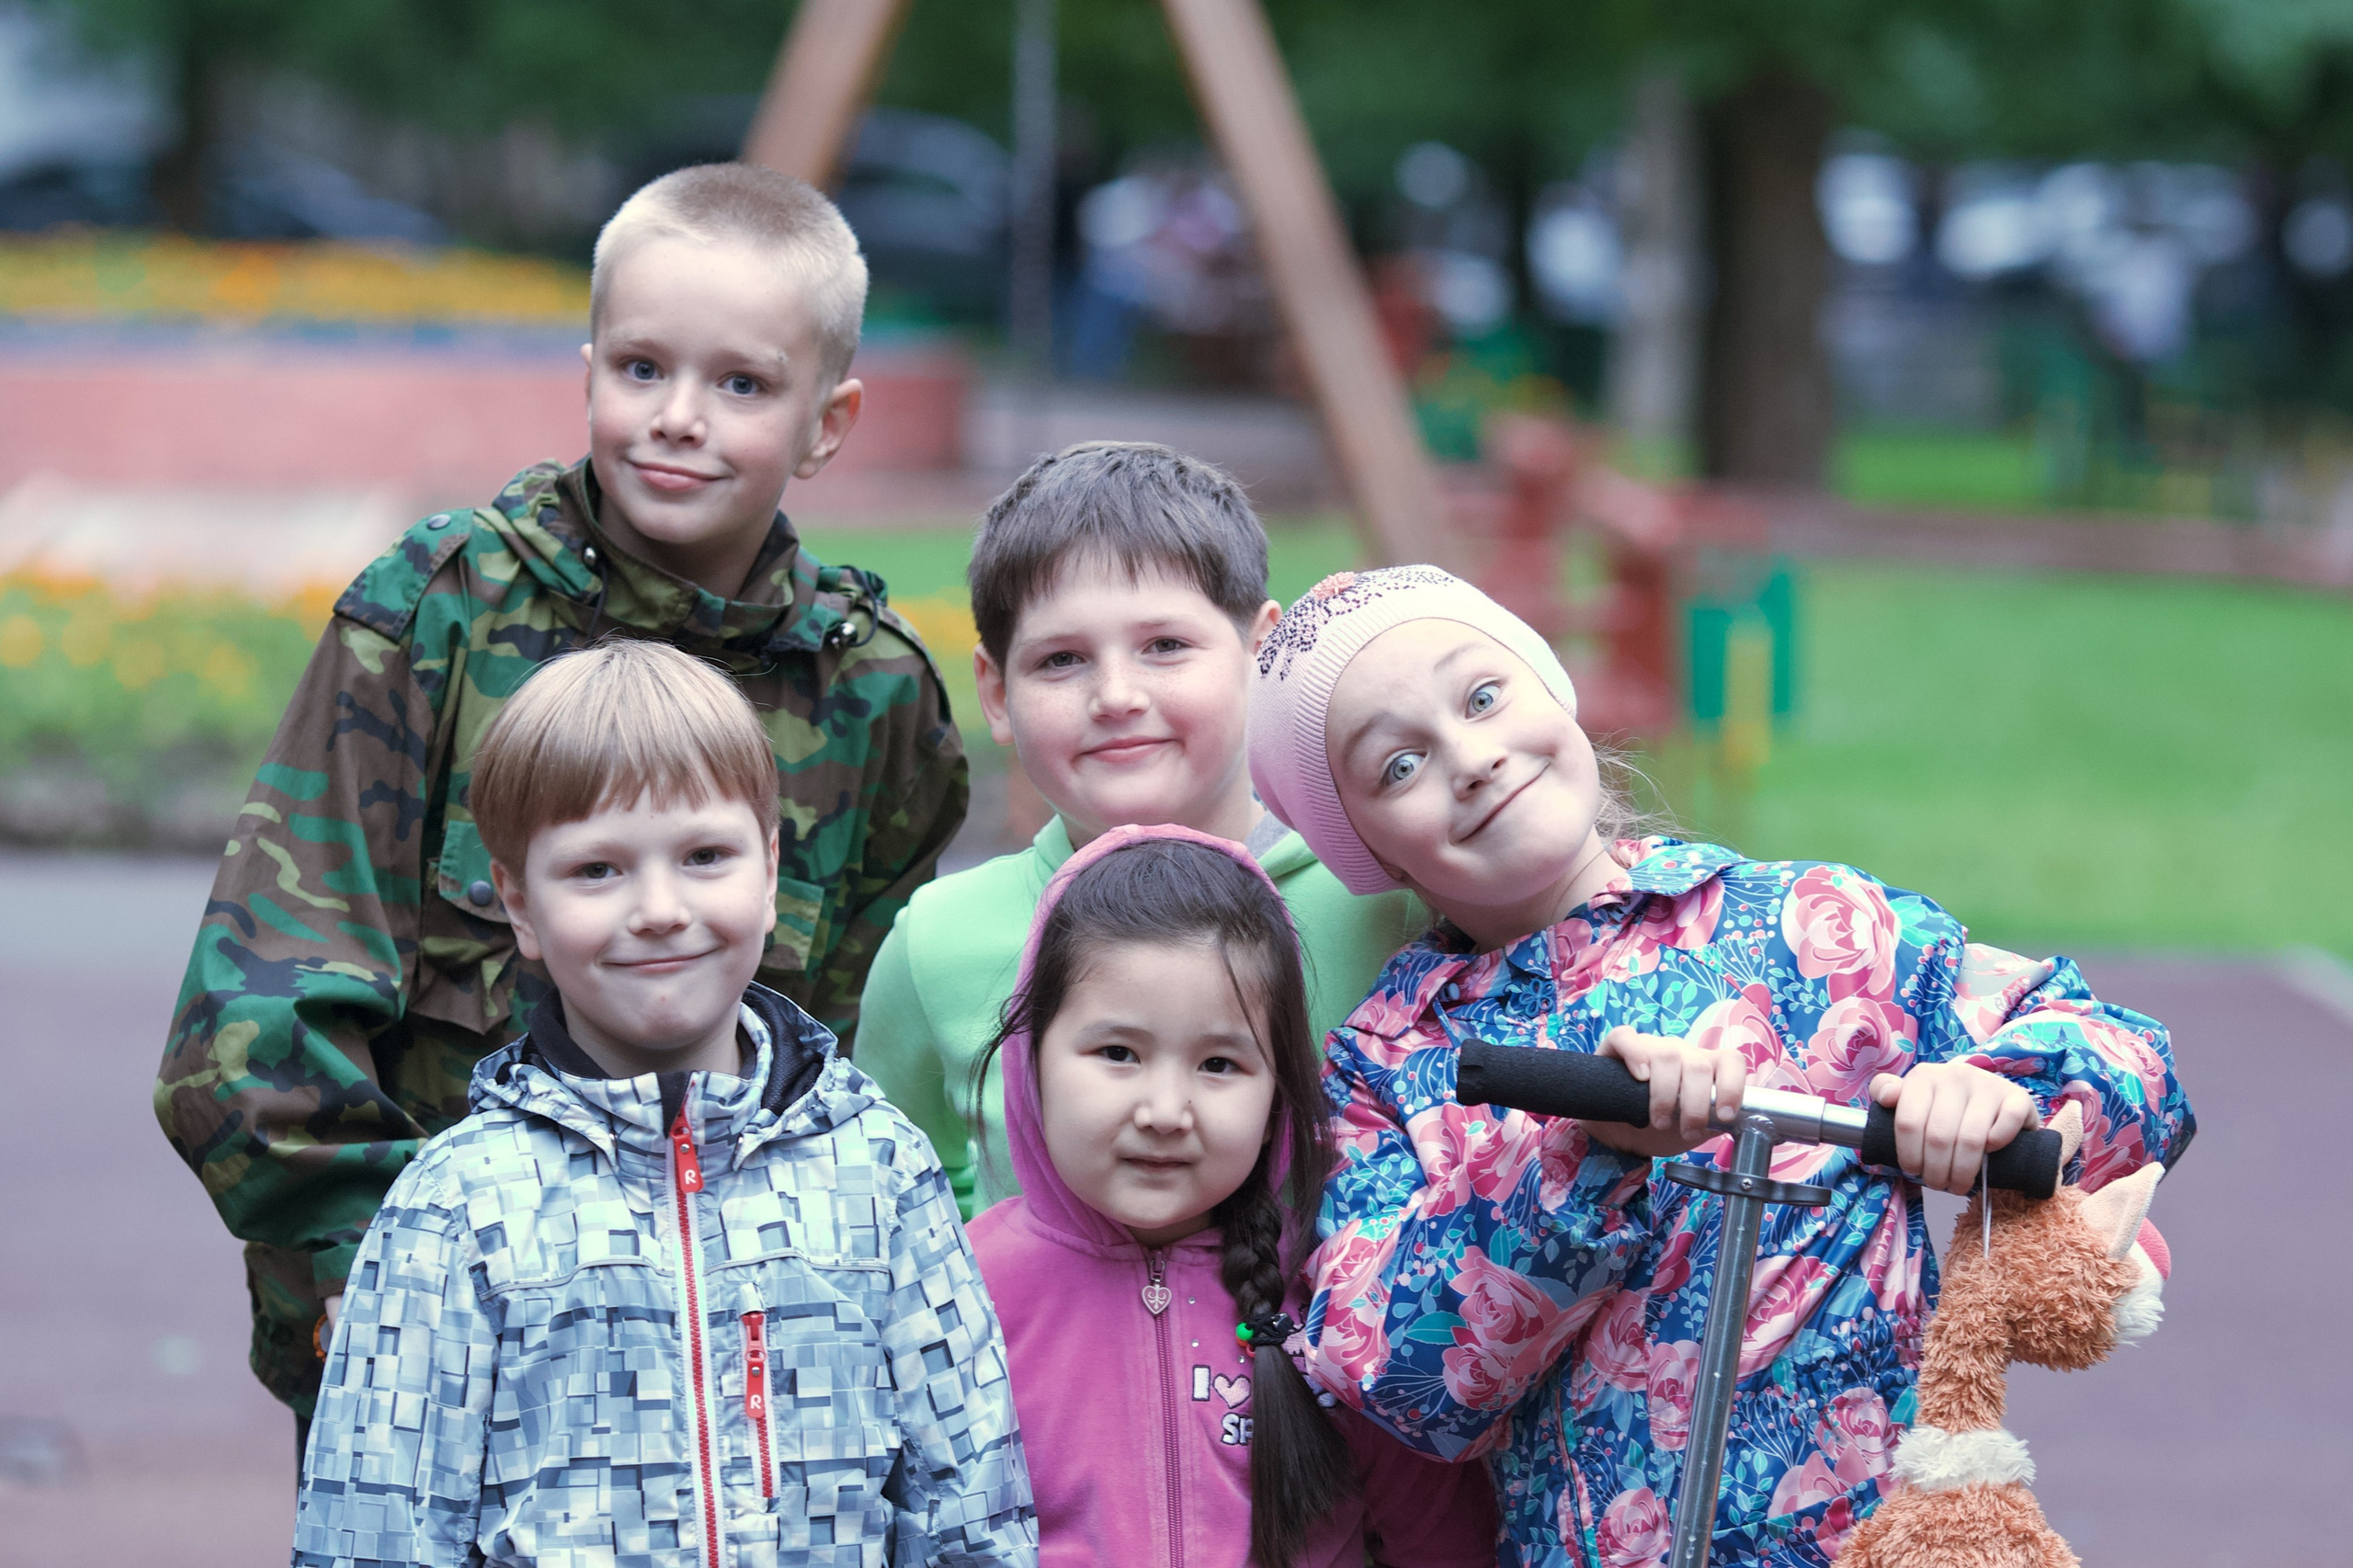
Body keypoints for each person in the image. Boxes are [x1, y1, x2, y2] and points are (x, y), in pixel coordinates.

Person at [154, 162, 968, 1432]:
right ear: (587, 370)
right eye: (642, 369)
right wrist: (366, 1272)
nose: (679, 417)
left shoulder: (875, 699)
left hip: (727, 1360)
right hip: (439, 1341)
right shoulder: (443, 610)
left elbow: (846, 1069)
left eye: (742, 384)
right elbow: (257, 1008)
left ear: (828, 421)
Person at [1245, 566, 2194, 1567]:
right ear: (1364, 848)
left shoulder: (1814, 931)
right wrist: (1583, 1155)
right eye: (1398, 764)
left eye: (1483, 696)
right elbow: (1403, 1385)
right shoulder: (1395, 1063)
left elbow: (2134, 1069)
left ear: (1553, 692)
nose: (1472, 758)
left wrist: (1999, 1091)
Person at [291, 640, 1034, 1567]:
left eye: (703, 855)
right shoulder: (455, 1204)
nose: (657, 907)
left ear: (769, 870)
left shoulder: (879, 1169)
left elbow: (971, 1506)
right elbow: (373, 1531)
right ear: (519, 903)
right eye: (597, 869)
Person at [855, 443, 1421, 1218]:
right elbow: (891, 1186)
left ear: (1261, 654)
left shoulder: (1382, 898)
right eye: (1061, 660)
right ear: (995, 692)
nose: (1116, 695)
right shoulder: (938, 944)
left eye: (1164, 647)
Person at [967, 824, 1496, 1568]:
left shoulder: (1344, 1291)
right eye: (1118, 1053)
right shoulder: (960, 1295)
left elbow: (1443, 1540)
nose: (1164, 1110)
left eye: (1219, 1063)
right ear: (1031, 1058)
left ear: (1280, 1088)